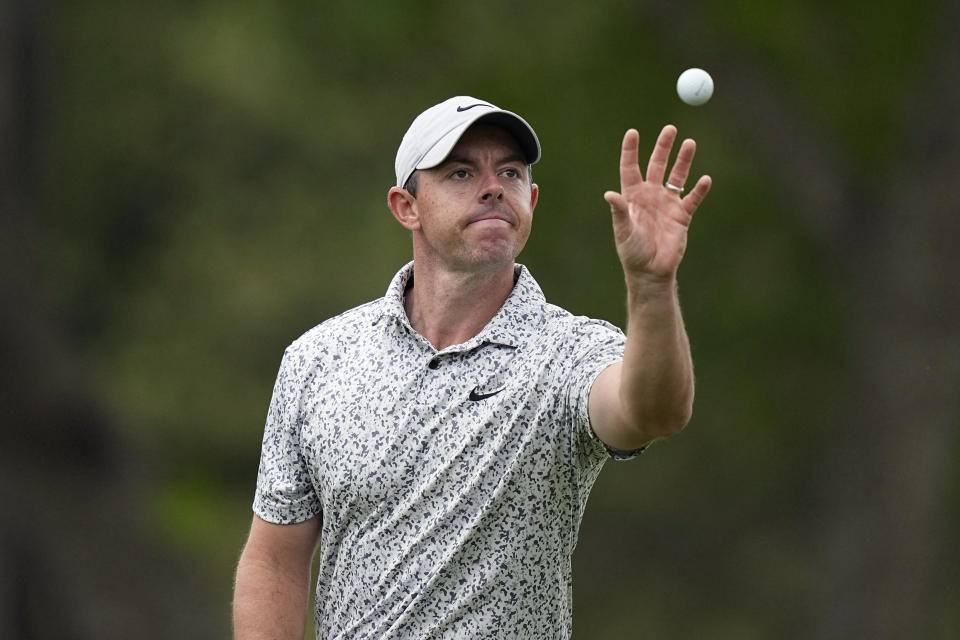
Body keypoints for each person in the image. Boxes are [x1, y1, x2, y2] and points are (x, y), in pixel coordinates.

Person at [232, 96, 711, 639]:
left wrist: (651, 287)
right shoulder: (319, 358)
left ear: (530, 200)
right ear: (405, 206)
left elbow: (654, 412)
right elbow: (275, 557)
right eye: (461, 172)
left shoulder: (568, 351)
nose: (493, 187)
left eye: (509, 172)